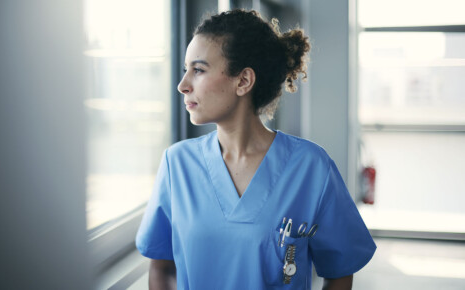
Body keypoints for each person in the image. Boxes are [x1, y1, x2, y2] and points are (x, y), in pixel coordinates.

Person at [136, 9, 376, 290]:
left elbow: (339, 271)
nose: (183, 85)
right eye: (185, 70)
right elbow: (162, 269)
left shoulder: (311, 168)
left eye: (198, 70)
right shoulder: (177, 164)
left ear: (243, 81)